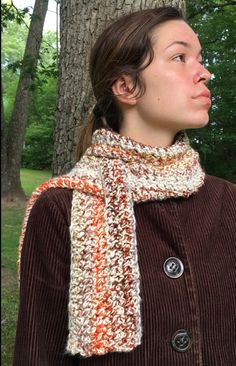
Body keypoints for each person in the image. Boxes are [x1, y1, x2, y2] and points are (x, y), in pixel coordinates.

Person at [13, 6, 236, 366]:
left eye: (201, 58)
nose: (204, 73)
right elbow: (38, 352)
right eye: (180, 57)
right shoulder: (61, 207)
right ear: (126, 86)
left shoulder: (229, 202)